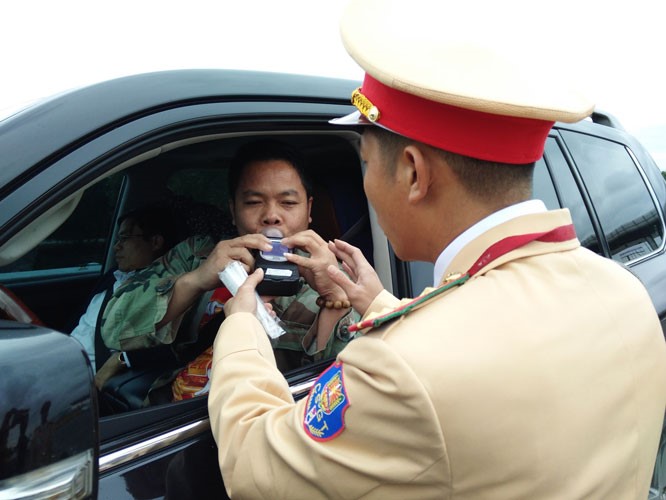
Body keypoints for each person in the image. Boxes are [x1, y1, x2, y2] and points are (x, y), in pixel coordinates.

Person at [206, 1, 666, 498]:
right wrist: (379, 306)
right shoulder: (624, 292)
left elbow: (253, 461)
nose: (367, 185)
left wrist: (243, 325)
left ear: (413, 173)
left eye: (365, 163)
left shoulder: (402, 371)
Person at [99, 139, 359, 397]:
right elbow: (113, 329)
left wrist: (334, 297)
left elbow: (351, 386)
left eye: (288, 203)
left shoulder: (331, 272)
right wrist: (197, 280)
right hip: (176, 414)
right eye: (254, 202)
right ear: (233, 210)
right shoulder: (198, 254)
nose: (271, 215)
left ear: (309, 209)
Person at [69, 204, 179, 384]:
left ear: (155, 242)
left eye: (124, 238)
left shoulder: (165, 289)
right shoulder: (111, 277)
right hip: (62, 364)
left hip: (82, 384)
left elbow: (166, 346)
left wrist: (117, 362)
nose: (116, 247)